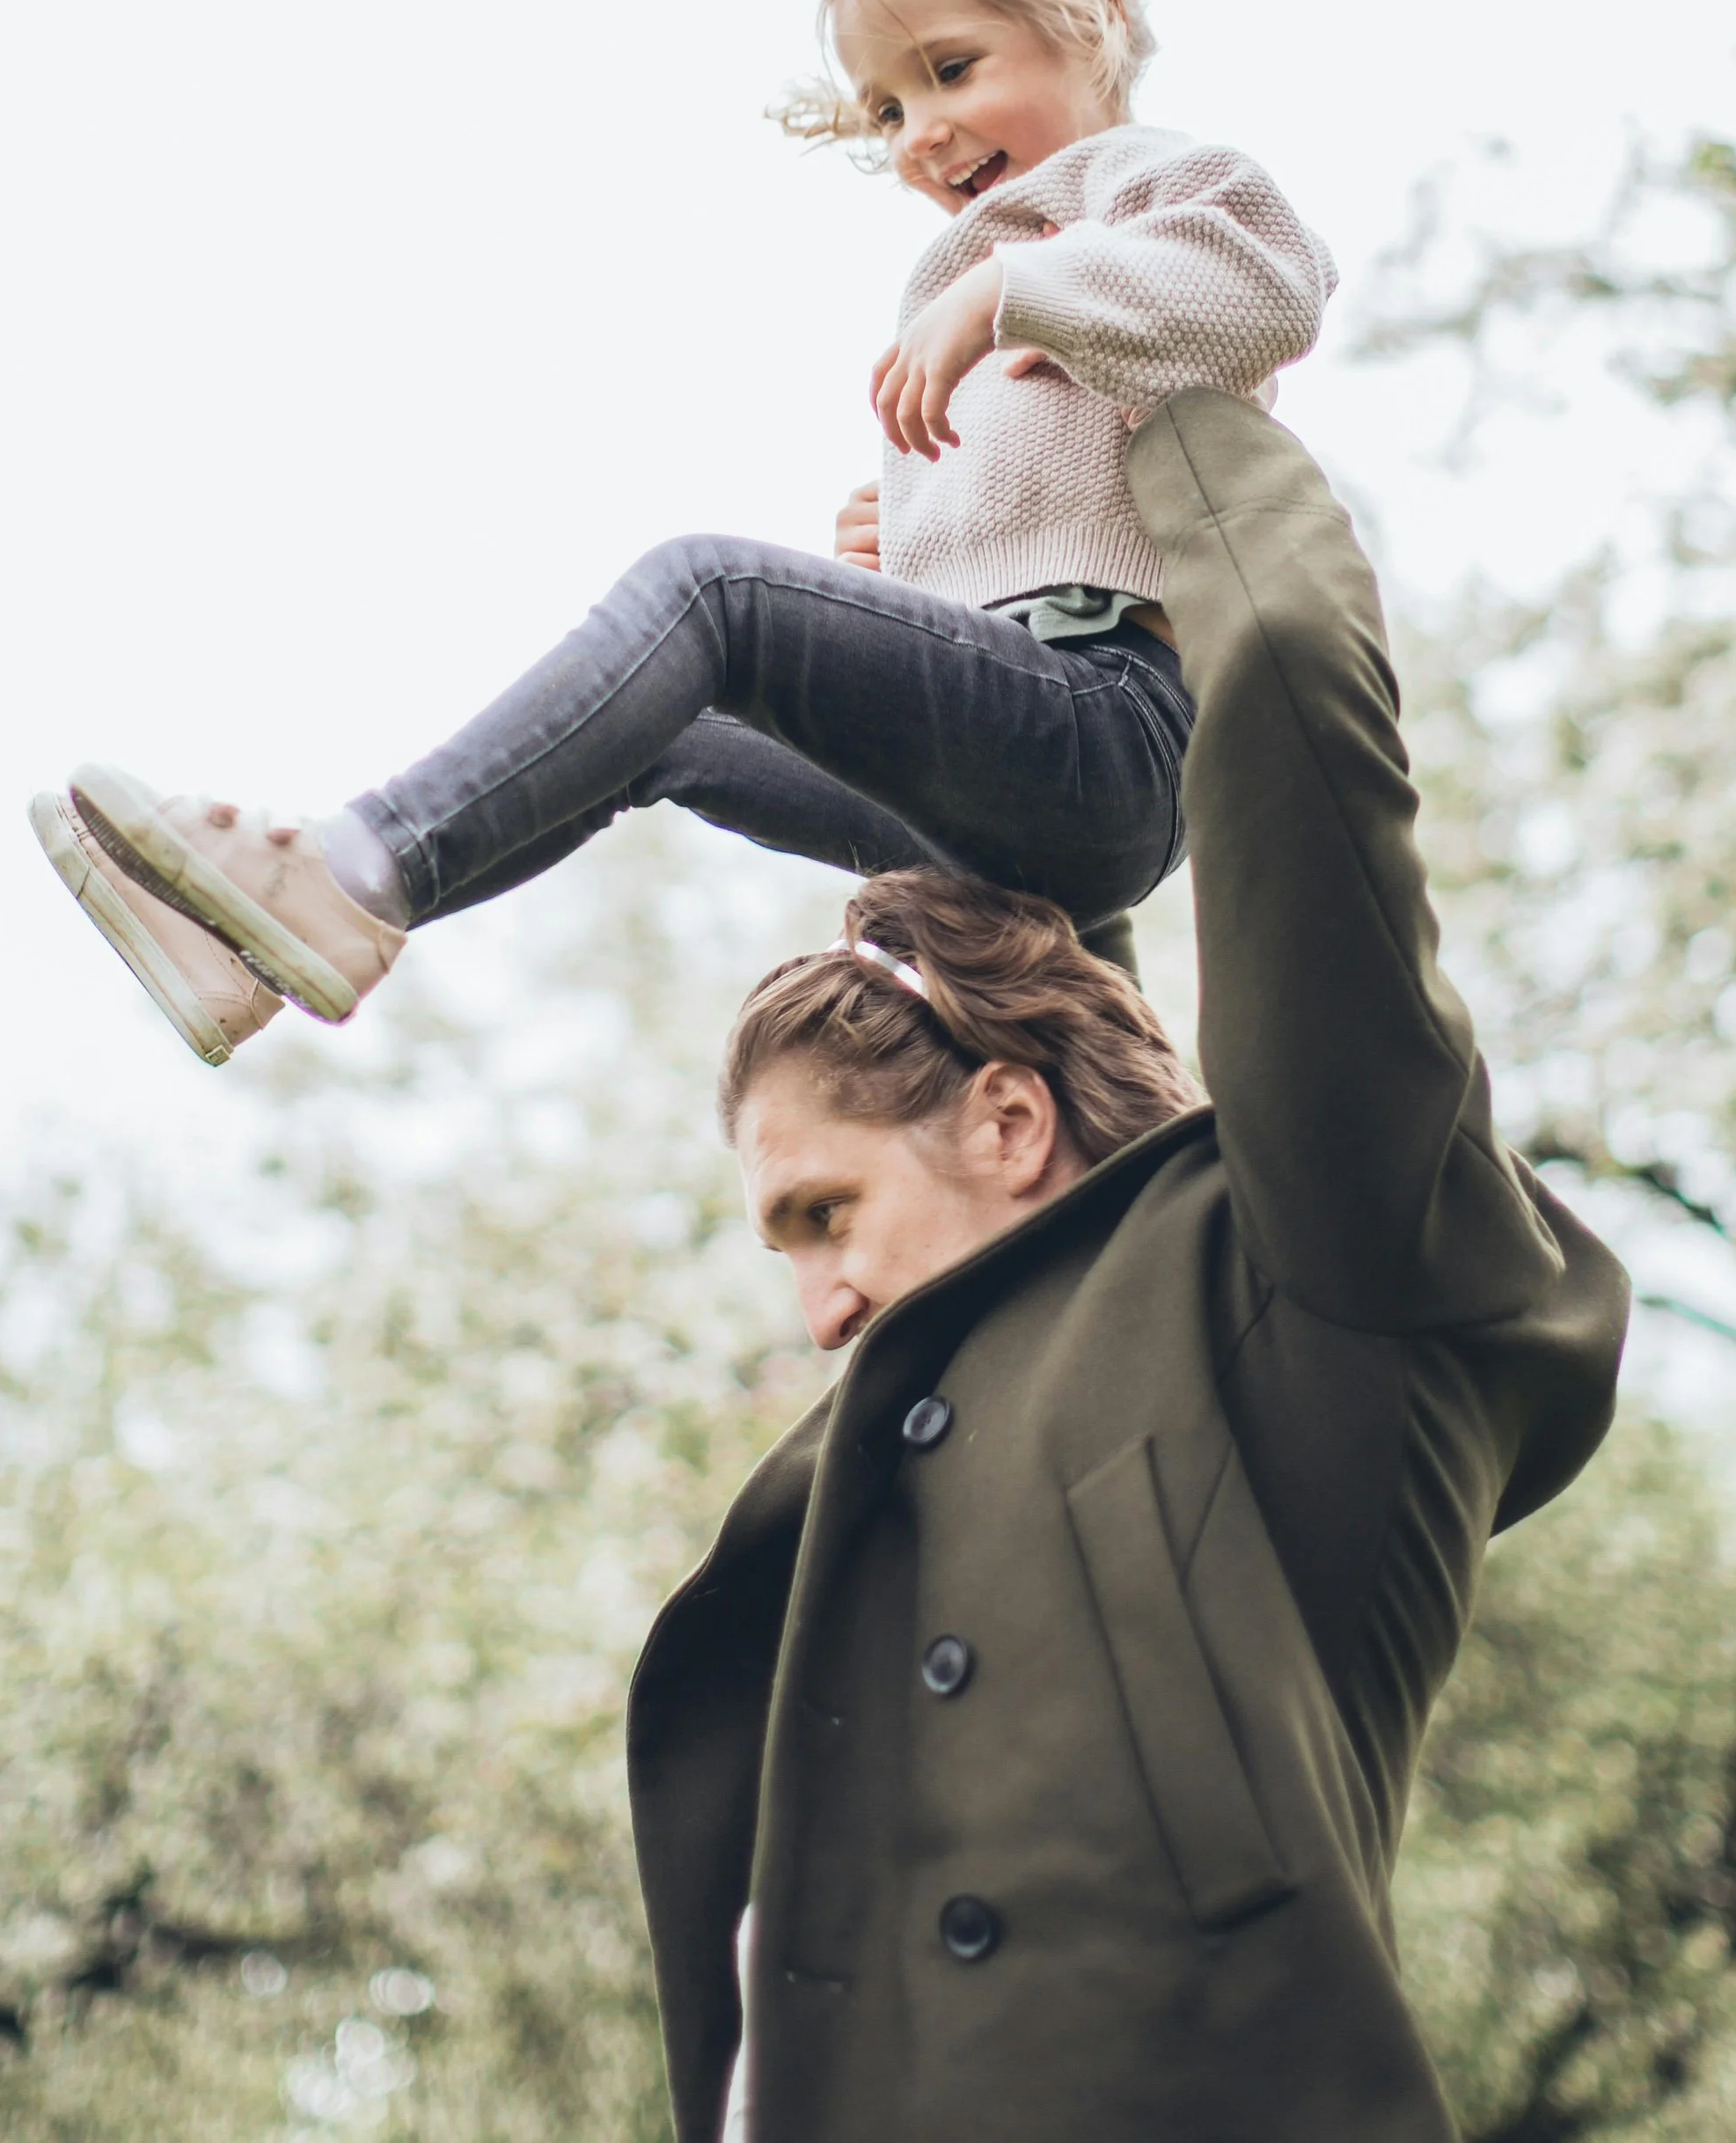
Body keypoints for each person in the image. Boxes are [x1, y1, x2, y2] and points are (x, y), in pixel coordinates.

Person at [634, 390, 1630, 2143]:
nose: (816, 1310)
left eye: (826, 1214)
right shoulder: (865, 1507)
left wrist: (1158, 404)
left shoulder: (1310, 1303)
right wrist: (957, 610)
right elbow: (1044, 942)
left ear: (1010, 1128)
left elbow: (1300, 809)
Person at [29, 0, 1334, 1065]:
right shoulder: (1023, 255)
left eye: (951, 68)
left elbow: (1273, 280)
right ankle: (286, 942)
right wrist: (923, 581)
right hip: (1014, 794)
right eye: (886, 107)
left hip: (1110, 734)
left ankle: (340, 870)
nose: (919, 132)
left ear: (1093, 16)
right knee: (674, 727)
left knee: (713, 596)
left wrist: (1004, 289)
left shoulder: (1142, 180)